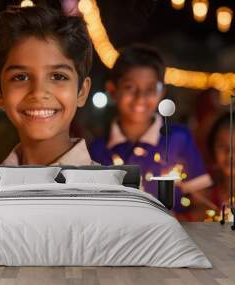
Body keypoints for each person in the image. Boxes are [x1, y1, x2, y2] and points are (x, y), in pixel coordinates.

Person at [89, 44, 212, 215]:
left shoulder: (178, 139)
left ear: (162, 93)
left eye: (150, 89)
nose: (140, 98)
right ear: (112, 90)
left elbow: (203, 205)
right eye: (130, 87)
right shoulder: (98, 150)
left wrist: (177, 223)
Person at [0, 4, 95, 165]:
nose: (38, 92)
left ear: (82, 91)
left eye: (58, 76)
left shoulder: (110, 189)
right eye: (20, 77)